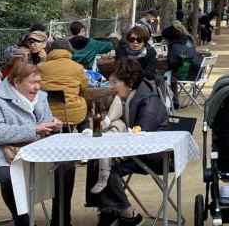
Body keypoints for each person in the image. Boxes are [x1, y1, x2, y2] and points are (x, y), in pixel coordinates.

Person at [0, 61, 74, 226]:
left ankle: (61, 220)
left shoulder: (41, 97)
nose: (37, 87)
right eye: (32, 82)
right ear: (16, 82)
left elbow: (45, 124)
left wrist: (53, 125)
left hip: (36, 152)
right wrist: (34, 129)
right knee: (10, 177)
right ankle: (23, 221)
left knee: (66, 165)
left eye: (39, 82)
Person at [88, 59, 167, 226]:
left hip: (156, 155)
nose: (112, 86)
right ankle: (108, 211)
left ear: (129, 83)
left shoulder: (148, 100)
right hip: (141, 152)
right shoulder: (132, 97)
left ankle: (127, 214)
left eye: (115, 82)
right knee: (97, 159)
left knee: (108, 167)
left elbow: (142, 135)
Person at [38, 39, 90, 128]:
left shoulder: (40, 67)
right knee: (86, 115)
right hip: (73, 114)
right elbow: (84, 88)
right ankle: (84, 137)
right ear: (69, 50)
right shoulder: (78, 67)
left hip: (47, 114)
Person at [162, 20, 199, 104]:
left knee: (165, 75)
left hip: (186, 74)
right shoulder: (188, 39)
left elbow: (172, 64)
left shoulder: (174, 45)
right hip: (195, 71)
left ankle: (172, 101)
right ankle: (174, 100)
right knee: (170, 73)